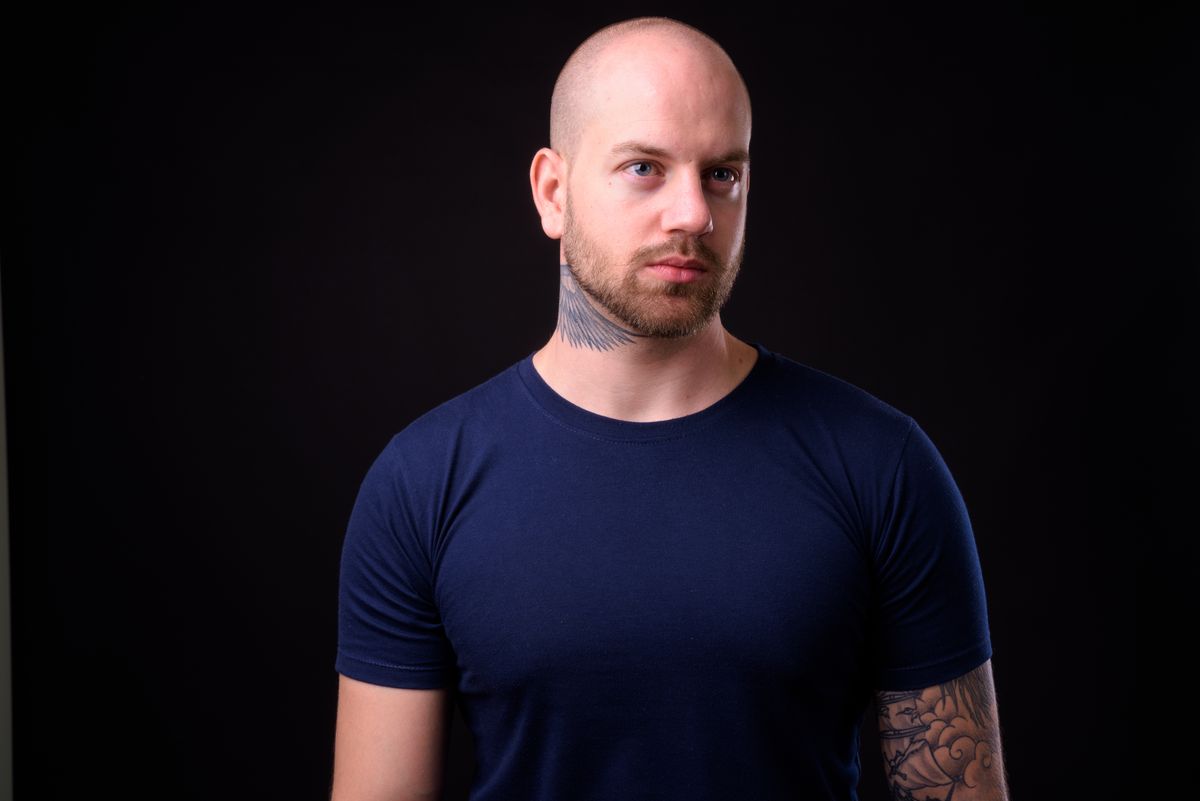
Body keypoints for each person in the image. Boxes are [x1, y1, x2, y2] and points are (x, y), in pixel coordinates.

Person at [330, 15, 1010, 801]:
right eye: (645, 167)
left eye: (722, 173)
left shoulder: (881, 465)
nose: (693, 213)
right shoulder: (421, 484)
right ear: (554, 192)